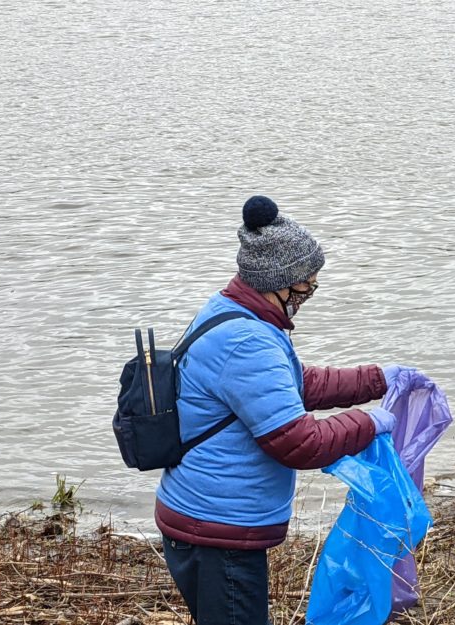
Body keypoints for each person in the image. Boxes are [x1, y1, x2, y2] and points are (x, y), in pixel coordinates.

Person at [155, 196, 412, 623]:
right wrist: (368, 423)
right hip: (218, 530)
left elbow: (293, 385)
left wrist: (376, 379)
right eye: (305, 285)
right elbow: (299, 443)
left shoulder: (232, 312)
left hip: (206, 519)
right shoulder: (247, 342)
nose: (309, 294)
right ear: (277, 281)